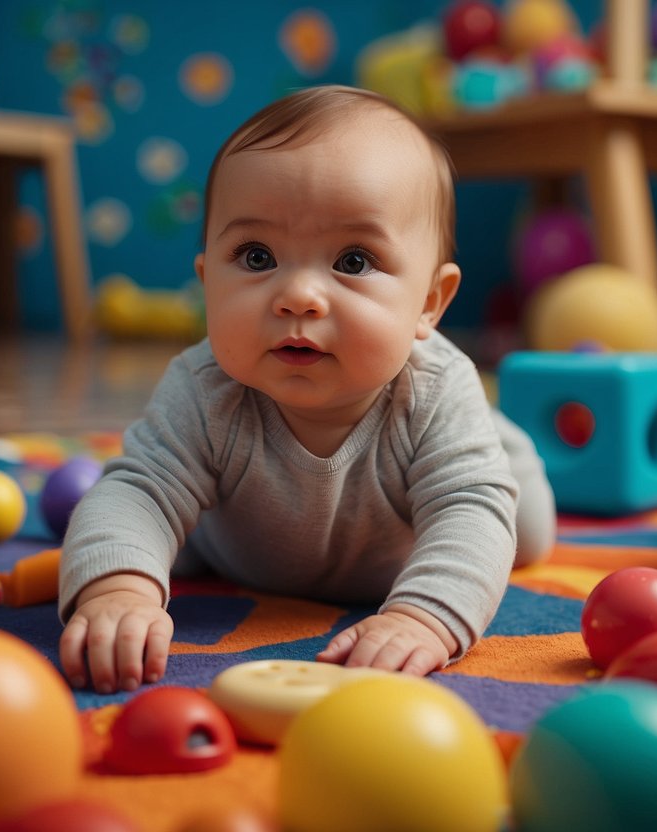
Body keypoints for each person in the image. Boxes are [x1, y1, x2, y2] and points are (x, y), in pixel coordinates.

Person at [59, 84, 556, 694]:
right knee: (150, 542)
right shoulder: (204, 388)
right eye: (257, 255)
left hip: (404, 547)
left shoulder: (433, 390)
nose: (297, 295)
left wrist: (422, 617)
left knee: (521, 532)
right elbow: (136, 493)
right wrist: (119, 591)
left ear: (428, 304)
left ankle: (502, 444)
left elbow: (469, 513)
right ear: (207, 280)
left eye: (352, 261)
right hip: (241, 551)